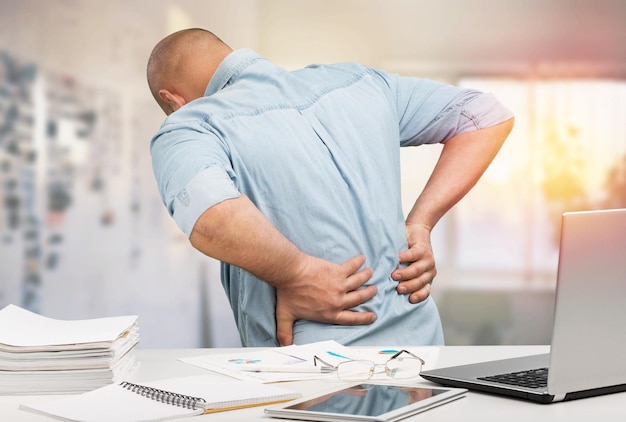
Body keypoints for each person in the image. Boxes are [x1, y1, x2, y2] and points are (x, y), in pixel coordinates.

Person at [147, 28, 514, 347]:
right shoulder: (359, 82)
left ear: (172, 99)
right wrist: (421, 222)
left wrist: (297, 273)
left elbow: (210, 217)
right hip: (422, 354)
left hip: (315, 375)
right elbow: (484, 115)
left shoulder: (192, 125)